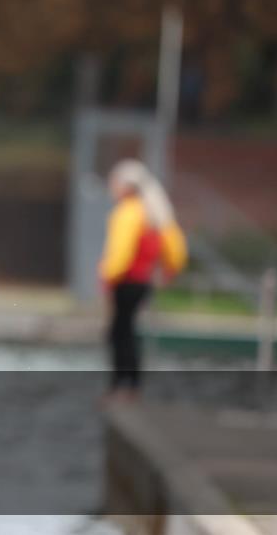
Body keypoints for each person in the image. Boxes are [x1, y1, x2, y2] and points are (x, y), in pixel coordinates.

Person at [98, 159, 187, 403]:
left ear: (126, 187)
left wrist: (108, 276)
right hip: (143, 282)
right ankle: (132, 386)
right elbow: (176, 248)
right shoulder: (154, 212)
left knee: (119, 333)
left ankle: (119, 386)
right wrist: (169, 271)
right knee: (129, 331)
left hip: (126, 282)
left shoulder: (128, 213)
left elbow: (121, 253)